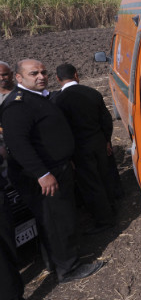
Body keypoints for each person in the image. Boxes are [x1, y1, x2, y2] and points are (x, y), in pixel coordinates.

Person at [1, 59, 104, 283]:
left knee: (57, 218)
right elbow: (18, 145)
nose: (41, 76)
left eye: (44, 72)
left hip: (58, 167)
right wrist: (42, 174)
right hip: (43, 176)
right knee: (58, 221)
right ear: (19, 78)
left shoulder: (40, 97)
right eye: (33, 73)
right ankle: (68, 268)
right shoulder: (18, 105)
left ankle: (55, 262)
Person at [53, 63, 116, 234]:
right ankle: (112, 207)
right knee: (104, 176)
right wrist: (107, 140)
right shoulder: (92, 93)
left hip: (79, 148)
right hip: (98, 141)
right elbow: (106, 119)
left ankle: (104, 220)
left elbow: (62, 131)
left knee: (90, 184)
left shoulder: (59, 101)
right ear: (76, 75)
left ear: (58, 79)